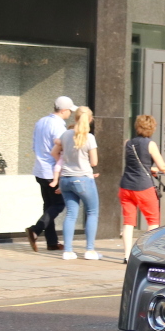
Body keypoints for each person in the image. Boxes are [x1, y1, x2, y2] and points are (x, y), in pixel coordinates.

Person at [120, 114, 165, 263]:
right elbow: (163, 166)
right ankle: (146, 253)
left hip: (126, 186)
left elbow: (135, 164)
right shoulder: (150, 144)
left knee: (128, 222)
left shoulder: (128, 143)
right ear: (152, 128)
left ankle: (127, 256)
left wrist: (149, 168)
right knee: (153, 220)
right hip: (143, 187)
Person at [51, 106, 100, 260]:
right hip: (84, 179)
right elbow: (94, 162)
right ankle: (90, 250)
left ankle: (68, 251)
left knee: (71, 214)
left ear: (75, 118)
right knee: (92, 212)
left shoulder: (65, 135)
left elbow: (54, 152)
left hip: (65, 179)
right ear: (90, 119)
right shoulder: (89, 138)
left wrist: (64, 162)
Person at [27, 96, 75, 252]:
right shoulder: (58, 127)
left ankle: (52, 242)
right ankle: (36, 229)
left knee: (48, 206)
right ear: (64, 110)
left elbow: (34, 146)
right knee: (58, 204)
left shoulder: (40, 122)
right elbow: (60, 148)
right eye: (70, 110)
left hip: (40, 170)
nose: (70, 114)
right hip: (52, 170)